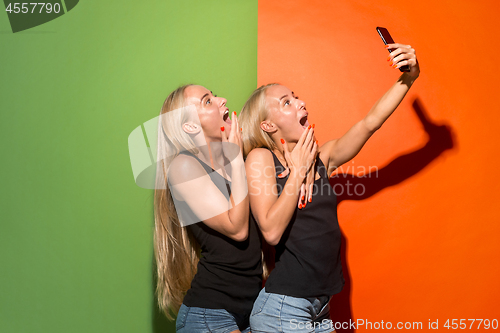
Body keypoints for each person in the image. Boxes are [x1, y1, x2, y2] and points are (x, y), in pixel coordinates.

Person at [239, 43, 419, 333]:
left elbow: (369, 123)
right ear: (268, 126)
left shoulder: (322, 159)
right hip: (284, 308)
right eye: (286, 102)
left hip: (321, 308)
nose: (300, 103)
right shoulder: (261, 158)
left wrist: (409, 78)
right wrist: (296, 174)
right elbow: (271, 232)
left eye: (296, 97)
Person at [153, 84, 263, 333]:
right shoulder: (183, 167)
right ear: (190, 126)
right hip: (211, 315)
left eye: (214, 96)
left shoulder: (231, 162)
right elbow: (237, 229)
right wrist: (236, 159)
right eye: (207, 101)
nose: (222, 99)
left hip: (249, 310)